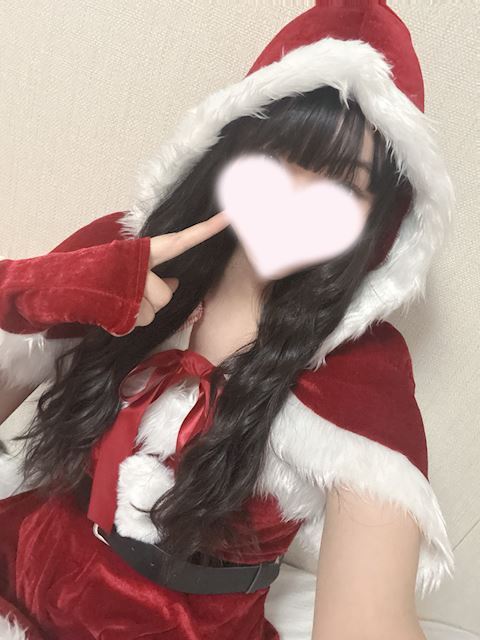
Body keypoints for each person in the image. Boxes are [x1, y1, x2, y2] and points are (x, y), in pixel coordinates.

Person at [0, 1, 456, 638]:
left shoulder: (359, 372)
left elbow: (369, 622)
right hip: (24, 566)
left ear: (376, 219)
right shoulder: (127, 254)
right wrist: (36, 288)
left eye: (344, 184)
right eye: (277, 156)